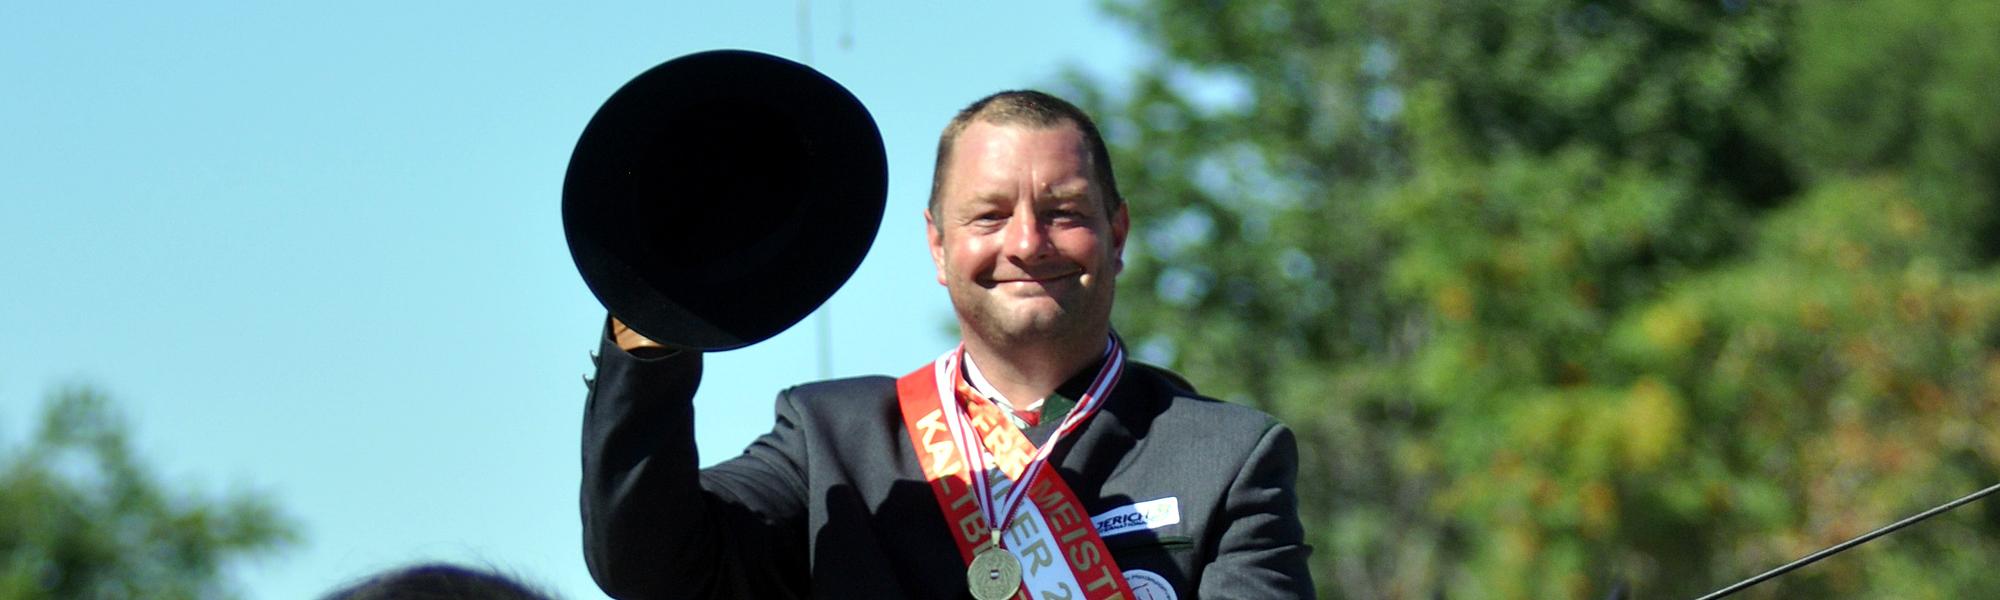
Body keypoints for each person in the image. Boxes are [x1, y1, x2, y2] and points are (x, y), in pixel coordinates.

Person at [580, 90, 1313, 599]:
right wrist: (657, 306)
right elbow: (649, 570)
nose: (1027, 243)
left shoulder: (1226, 457)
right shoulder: (831, 440)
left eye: (1062, 213)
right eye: (988, 216)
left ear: (1117, 235)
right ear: (937, 245)